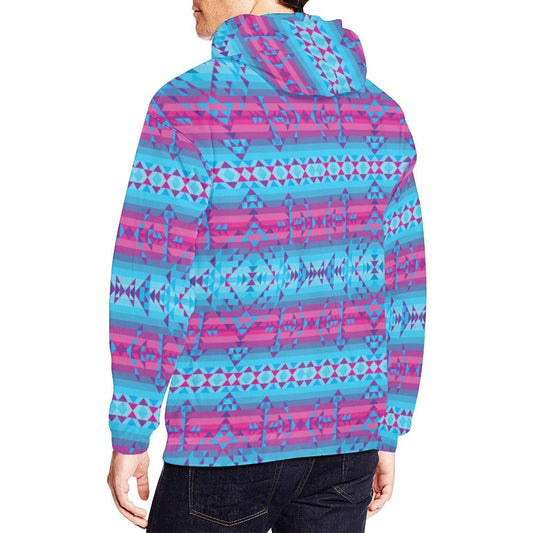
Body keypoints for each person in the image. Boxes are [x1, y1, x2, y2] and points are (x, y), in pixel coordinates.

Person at [106, 1, 426, 531]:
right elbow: (403, 284)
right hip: (346, 443)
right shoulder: (381, 113)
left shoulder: (189, 105)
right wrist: (386, 427)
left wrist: (131, 428)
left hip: (222, 439)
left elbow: (151, 279)